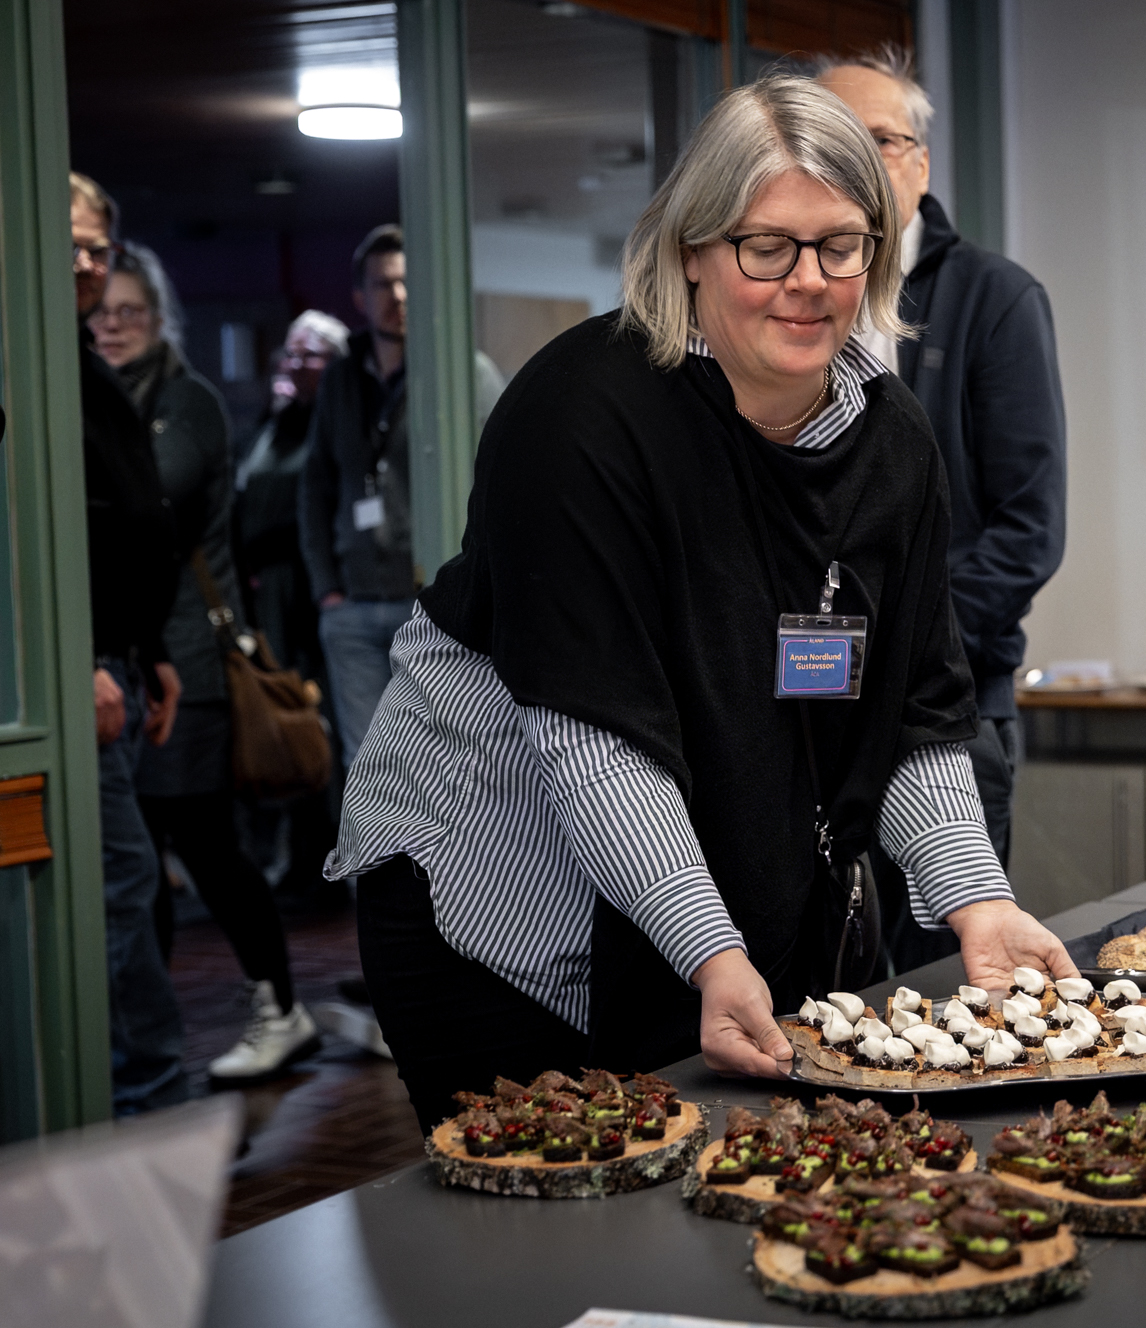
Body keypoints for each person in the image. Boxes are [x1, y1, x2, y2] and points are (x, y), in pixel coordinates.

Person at [325, 74, 1078, 1132]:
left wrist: (977, 899)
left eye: (840, 245)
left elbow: (913, 716)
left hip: (707, 895)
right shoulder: (582, 413)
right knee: (557, 1204)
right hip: (501, 898)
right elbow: (594, 737)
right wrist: (712, 950)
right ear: (690, 248)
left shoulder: (892, 442)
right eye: (764, 247)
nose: (807, 281)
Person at [816, 47, 1067, 971]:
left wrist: (907, 646)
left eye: (878, 140)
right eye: (831, 141)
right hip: (815, 711)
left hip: (953, 711)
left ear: (920, 163)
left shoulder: (994, 299)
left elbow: (1029, 530)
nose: (856, 161)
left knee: (948, 975)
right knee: (831, 984)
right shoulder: (799, 300)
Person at [89, 247, 320, 1083]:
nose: (112, 326)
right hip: (134, 660)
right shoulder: (94, 395)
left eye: (130, 311)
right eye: (102, 312)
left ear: (159, 320)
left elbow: (150, 501)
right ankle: (140, 1042)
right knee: (144, 861)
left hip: (188, 658)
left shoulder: (184, 400)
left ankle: (279, 1007)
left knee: (206, 847)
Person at [298, 226, 505, 769]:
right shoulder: (341, 380)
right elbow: (316, 486)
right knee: (366, 766)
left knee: (444, 765)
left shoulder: (464, 373)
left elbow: (506, 483)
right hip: (354, 604)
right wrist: (327, 589)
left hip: (433, 603)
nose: (399, 296)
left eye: (409, 282)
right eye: (383, 284)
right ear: (359, 297)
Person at [69, 173, 186, 1113]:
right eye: (68, 243)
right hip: (78, 671)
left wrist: (149, 651)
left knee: (127, 878)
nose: (84, 263)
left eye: (97, 248)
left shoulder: (76, 359)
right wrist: (71, 661)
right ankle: (137, 1109)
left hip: (121, 661)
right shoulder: (32, 359)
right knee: (119, 881)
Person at [235, 311, 351, 916]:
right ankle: (292, 859)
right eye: (291, 354)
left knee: (317, 725)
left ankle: (327, 860)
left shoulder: (333, 423)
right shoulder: (273, 425)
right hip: (266, 603)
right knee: (274, 721)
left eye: (310, 357)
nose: (295, 366)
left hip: (311, 599)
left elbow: (320, 510)